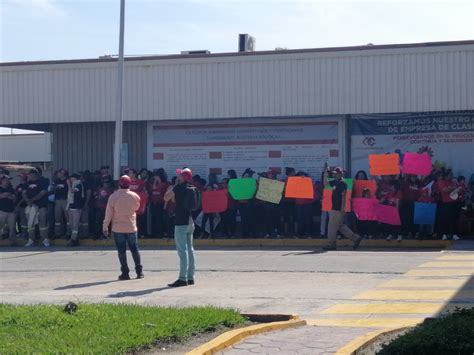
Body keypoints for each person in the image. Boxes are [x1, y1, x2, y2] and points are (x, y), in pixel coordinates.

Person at [103, 175, 143, 280]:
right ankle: (139, 272)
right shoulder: (134, 196)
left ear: (119, 184)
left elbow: (108, 214)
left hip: (118, 228)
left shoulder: (113, 197)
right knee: (134, 249)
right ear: (129, 184)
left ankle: (125, 273)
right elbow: (137, 207)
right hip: (131, 227)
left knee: (121, 251)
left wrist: (105, 226)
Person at [164, 168, 197, 287]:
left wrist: (174, 185)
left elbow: (166, 197)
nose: (178, 176)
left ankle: (182, 278)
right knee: (190, 250)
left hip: (180, 223)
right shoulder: (192, 188)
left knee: (182, 251)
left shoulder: (178, 188)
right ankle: (191, 276)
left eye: (180, 175)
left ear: (183, 177)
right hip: (190, 222)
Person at [323, 166, 361, 251]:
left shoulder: (342, 183)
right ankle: (356, 238)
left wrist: (342, 209)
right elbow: (326, 184)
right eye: (334, 174)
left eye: (336, 174)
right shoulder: (336, 182)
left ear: (340, 174)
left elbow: (344, 197)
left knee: (331, 226)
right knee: (340, 226)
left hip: (338, 208)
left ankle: (331, 244)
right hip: (336, 208)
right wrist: (325, 173)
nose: (335, 175)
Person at [24, 169, 50, 247]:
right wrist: (27, 200)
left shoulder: (42, 182)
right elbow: (24, 193)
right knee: (30, 223)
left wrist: (33, 199)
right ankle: (31, 239)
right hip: (30, 206)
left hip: (41, 206)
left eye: (30, 174)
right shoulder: (27, 183)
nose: (29, 175)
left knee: (42, 222)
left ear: (34, 174)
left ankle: (44, 239)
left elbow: (43, 193)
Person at [66, 173, 86, 247]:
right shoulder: (74, 185)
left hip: (77, 208)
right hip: (71, 207)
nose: (70, 179)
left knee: (75, 225)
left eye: (72, 178)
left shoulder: (79, 185)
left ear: (75, 179)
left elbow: (72, 191)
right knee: (71, 224)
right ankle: (76, 239)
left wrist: (68, 185)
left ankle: (73, 240)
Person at [0, 176, 17, 246]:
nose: (7, 181)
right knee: (0, 226)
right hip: (2, 211)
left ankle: (11, 241)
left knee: (12, 227)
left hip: (11, 211)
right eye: (6, 180)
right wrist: (6, 195)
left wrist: (5, 195)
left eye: (8, 180)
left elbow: (14, 197)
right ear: (2, 181)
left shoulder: (11, 188)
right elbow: (1, 196)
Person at [53, 168, 69, 238]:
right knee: (57, 218)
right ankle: (58, 233)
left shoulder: (68, 181)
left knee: (68, 217)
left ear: (63, 173)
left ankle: (69, 233)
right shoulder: (56, 181)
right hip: (58, 201)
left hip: (66, 200)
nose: (58, 174)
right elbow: (52, 189)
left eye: (59, 173)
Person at [15, 172, 29, 239]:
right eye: (19, 176)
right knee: (17, 221)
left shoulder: (27, 185)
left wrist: (19, 204)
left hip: (24, 206)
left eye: (21, 176)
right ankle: (18, 233)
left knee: (24, 221)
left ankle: (25, 235)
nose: (19, 178)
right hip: (17, 206)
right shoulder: (18, 186)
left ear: (24, 177)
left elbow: (25, 197)